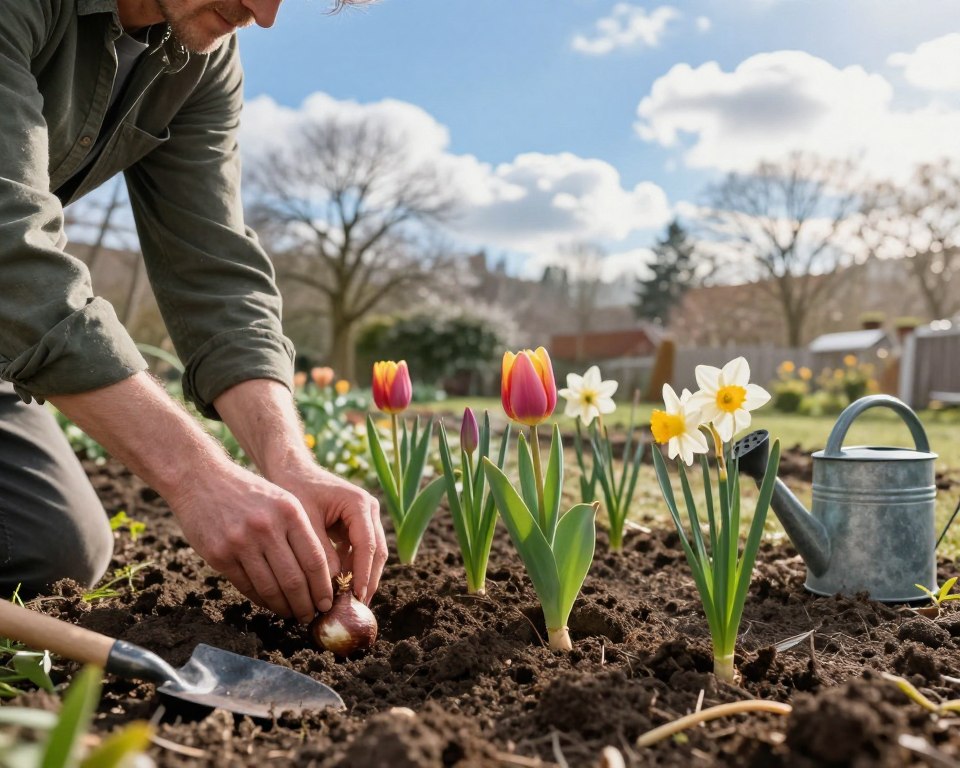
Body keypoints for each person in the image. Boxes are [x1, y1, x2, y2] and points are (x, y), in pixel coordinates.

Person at [0, 0, 388, 626]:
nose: (264, 14)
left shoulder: (200, 56)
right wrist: (196, 474)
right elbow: (8, 247)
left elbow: (215, 273)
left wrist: (289, 462)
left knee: (50, 547)